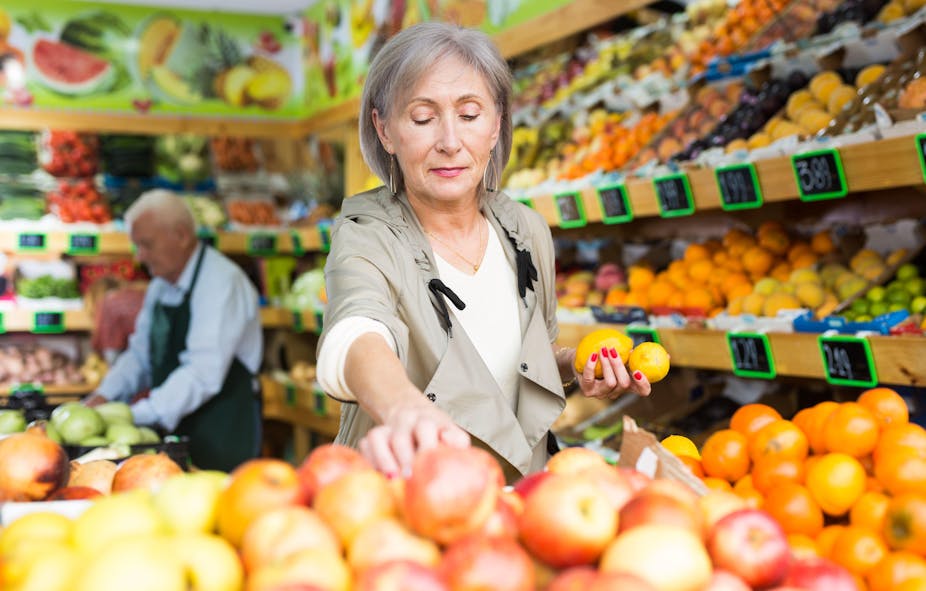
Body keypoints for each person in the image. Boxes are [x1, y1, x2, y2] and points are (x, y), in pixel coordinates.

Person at [316, 21, 651, 483]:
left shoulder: (525, 230)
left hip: (524, 496)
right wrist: (404, 408)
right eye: (422, 117)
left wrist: (577, 366)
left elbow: (525, 356)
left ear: (496, 125)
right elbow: (356, 332)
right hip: (413, 491)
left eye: (470, 115)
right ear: (385, 129)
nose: (450, 141)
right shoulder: (367, 234)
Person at [83, 190, 263, 471]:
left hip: (221, 433)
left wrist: (132, 415)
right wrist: (104, 396)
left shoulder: (221, 283)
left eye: (146, 244)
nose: (140, 256)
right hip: (176, 428)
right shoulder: (161, 285)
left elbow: (202, 374)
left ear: (181, 235)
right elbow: (140, 354)